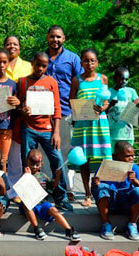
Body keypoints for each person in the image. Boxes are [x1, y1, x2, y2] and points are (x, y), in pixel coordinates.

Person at [19, 52, 69, 211]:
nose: (40, 68)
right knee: (27, 164)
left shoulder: (51, 82)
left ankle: (61, 196)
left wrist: (56, 132)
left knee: (57, 161)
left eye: (44, 65)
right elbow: (19, 103)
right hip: (29, 128)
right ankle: (29, 198)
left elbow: (57, 108)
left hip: (48, 129)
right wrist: (23, 109)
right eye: (38, 64)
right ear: (32, 63)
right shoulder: (23, 81)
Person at [45, 25, 84, 201]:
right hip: (43, 113)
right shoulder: (41, 58)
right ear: (47, 38)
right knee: (45, 151)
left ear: (64, 38)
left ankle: (68, 187)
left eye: (59, 37)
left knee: (67, 151)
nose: (55, 40)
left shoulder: (73, 58)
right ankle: (48, 186)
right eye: (52, 36)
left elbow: (81, 83)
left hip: (67, 111)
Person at [69, 49, 111, 207]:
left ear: (97, 62)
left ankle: (100, 190)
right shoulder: (77, 80)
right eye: (86, 60)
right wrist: (81, 108)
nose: (89, 63)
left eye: (92, 60)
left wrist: (103, 108)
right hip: (83, 123)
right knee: (83, 159)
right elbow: (71, 101)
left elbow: (107, 101)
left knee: (102, 157)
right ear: (81, 63)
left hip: (100, 123)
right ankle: (87, 194)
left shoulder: (103, 78)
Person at [0, 36, 32, 187]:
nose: (1, 65)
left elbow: (22, 99)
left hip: (10, 124)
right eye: (8, 44)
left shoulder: (24, 71)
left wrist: (18, 103)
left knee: (7, 159)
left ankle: (6, 190)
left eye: (15, 44)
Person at [91, 141, 139, 241]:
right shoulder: (105, 167)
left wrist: (135, 180)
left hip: (128, 203)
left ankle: (132, 224)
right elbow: (94, 191)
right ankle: (106, 224)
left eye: (132, 156)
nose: (131, 159)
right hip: (110, 203)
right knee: (102, 187)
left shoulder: (135, 168)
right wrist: (96, 185)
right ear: (116, 156)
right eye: (127, 156)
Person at [18, 149, 81, 241]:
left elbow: (53, 186)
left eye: (37, 165)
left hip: (42, 203)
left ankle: (69, 230)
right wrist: (27, 176)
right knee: (26, 205)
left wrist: (57, 177)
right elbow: (21, 189)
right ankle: (37, 229)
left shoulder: (43, 176)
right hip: (30, 204)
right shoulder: (24, 175)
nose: (34, 167)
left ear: (41, 164)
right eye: (32, 164)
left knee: (54, 209)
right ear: (27, 162)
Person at [106, 67, 139, 148]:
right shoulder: (108, 92)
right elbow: (103, 111)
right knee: (112, 158)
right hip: (112, 133)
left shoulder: (131, 92)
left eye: (126, 79)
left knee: (126, 157)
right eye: (121, 79)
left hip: (127, 134)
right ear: (115, 78)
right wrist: (110, 105)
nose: (124, 81)